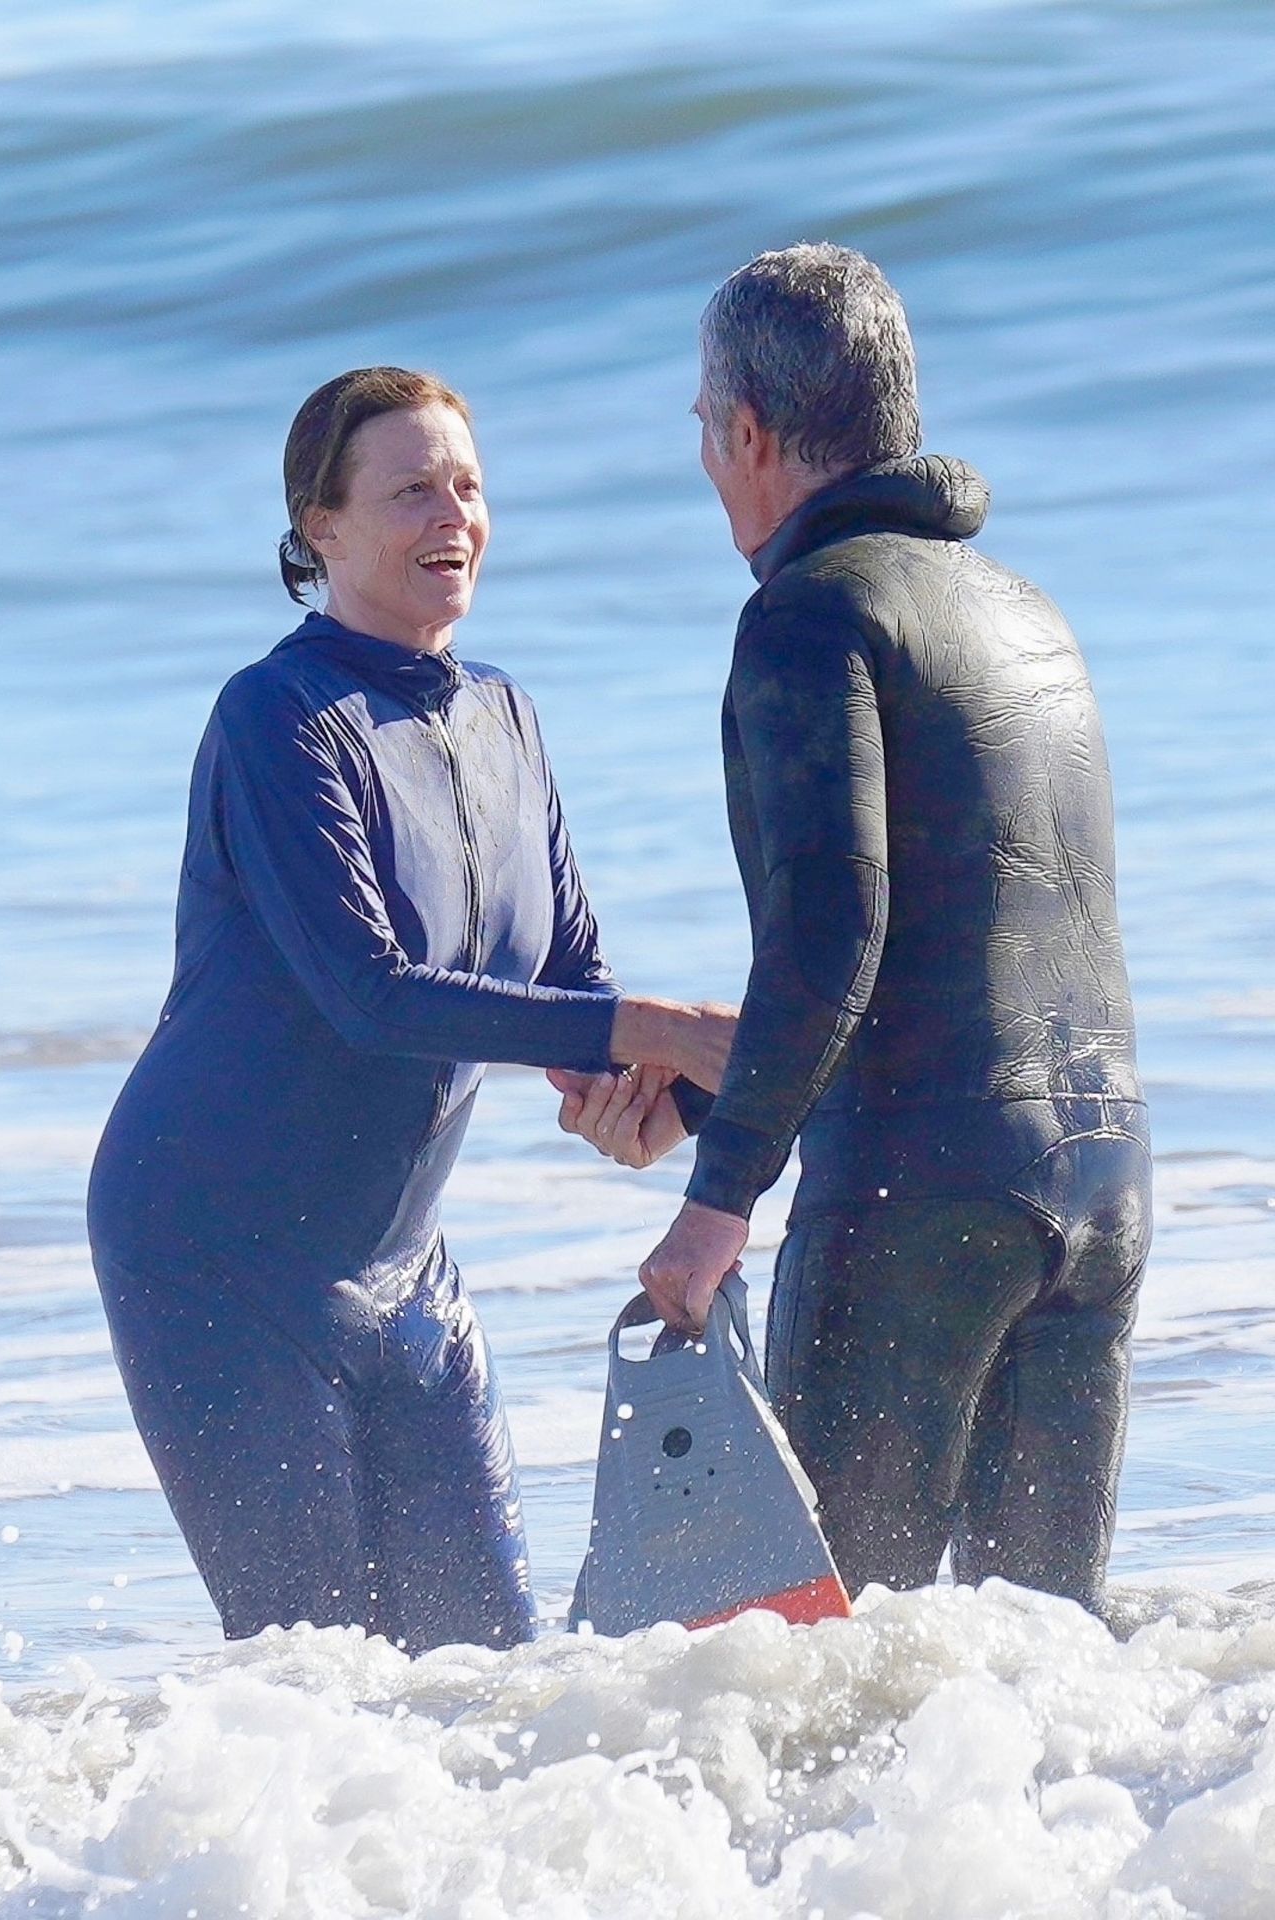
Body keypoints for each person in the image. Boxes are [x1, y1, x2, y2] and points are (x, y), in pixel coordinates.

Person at [88, 366, 732, 1653]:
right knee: (310, 1676)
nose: (454, 514)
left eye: (468, 485)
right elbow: (369, 995)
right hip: (218, 1255)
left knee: (487, 1665)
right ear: (318, 529)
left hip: (405, 1271)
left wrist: (661, 1101)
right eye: (409, 491)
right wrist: (652, 1032)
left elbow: (568, 991)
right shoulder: (280, 717)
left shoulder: (504, 714)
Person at [553, 246, 1152, 1612]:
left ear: (752, 433)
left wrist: (719, 1204)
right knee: (1041, 1664)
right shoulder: (1026, 615)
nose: (709, 459)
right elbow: (975, 947)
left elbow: (836, 935)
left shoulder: (808, 617)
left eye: (708, 429)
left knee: (827, 1657)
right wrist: (727, 1106)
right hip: (1102, 1187)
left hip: (918, 1203)